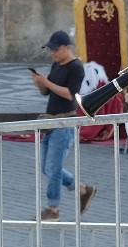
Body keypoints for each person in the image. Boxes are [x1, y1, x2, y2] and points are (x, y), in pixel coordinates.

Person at [29, 30, 95, 221]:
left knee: (54, 168)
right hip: (51, 121)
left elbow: (70, 94)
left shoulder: (76, 68)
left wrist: (46, 82)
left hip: (65, 122)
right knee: (47, 168)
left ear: (67, 47)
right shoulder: (57, 65)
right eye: (51, 50)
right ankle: (83, 189)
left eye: (56, 50)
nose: (53, 53)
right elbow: (46, 93)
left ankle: (53, 208)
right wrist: (40, 83)